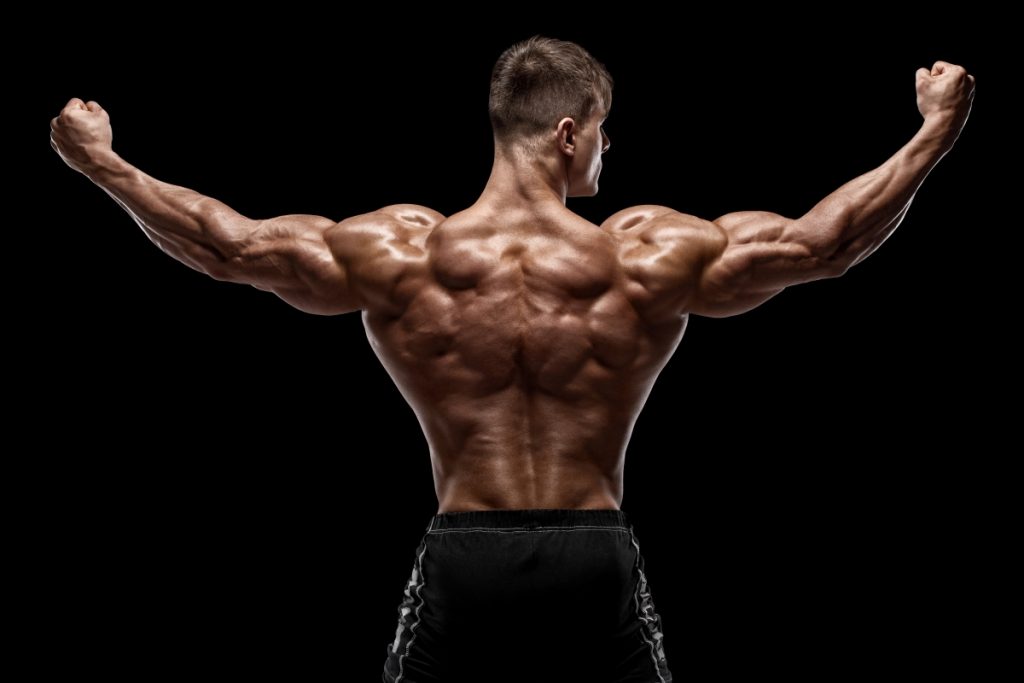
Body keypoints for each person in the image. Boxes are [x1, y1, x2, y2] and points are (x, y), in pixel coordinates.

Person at [50, 36, 973, 683]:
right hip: (594, 552)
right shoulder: (639, 255)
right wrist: (933, 130)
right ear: (570, 131)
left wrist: (105, 164)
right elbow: (825, 243)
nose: (611, 148)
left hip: (466, 554)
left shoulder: (402, 254)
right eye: (606, 130)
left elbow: (233, 247)